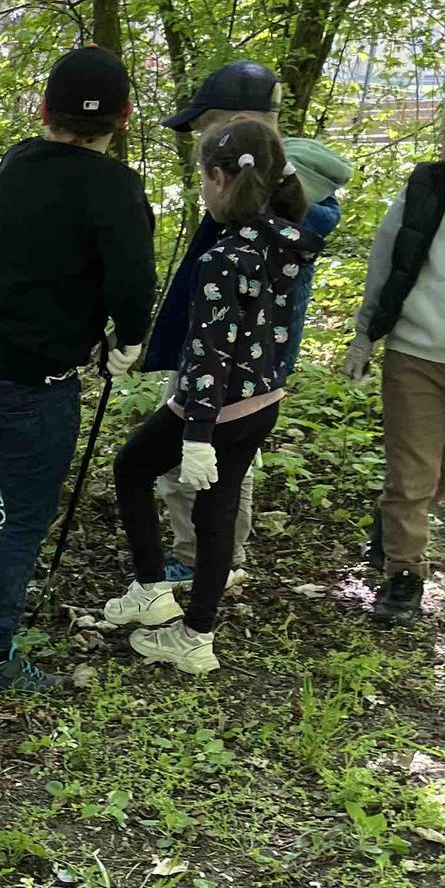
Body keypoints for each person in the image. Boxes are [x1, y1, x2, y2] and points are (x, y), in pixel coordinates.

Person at [0, 46, 156, 691]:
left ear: (43, 110)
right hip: (38, 380)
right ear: (123, 118)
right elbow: (132, 282)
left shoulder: (19, 163)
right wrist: (130, 338)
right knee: (19, 515)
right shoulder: (117, 187)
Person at [103, 119, 311, 675]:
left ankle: (153, 590)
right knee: (218, 511)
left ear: (220, 177)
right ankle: (196, 634)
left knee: (131, 467)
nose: (202, 190)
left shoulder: (223, 258)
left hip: (216, 407)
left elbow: (210, 352)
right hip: (263, 400)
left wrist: (196, 436)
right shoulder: (288, 241)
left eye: (202, 179)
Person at [158, 130, 352, 589]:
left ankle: (198, 561)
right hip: (259, 378)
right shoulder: (292, 237)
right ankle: (217, 561)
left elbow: (218, 337)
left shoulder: (247, 244)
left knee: (186, 466)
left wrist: (199, 416)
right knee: (229, 471)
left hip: (223, 376)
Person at [345, 73, 445, 627]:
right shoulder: (424, 188)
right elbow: (386, 259)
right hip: (413, 353)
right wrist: (364, 333)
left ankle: (393, 520)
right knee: (413, 474)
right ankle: (404, 574)